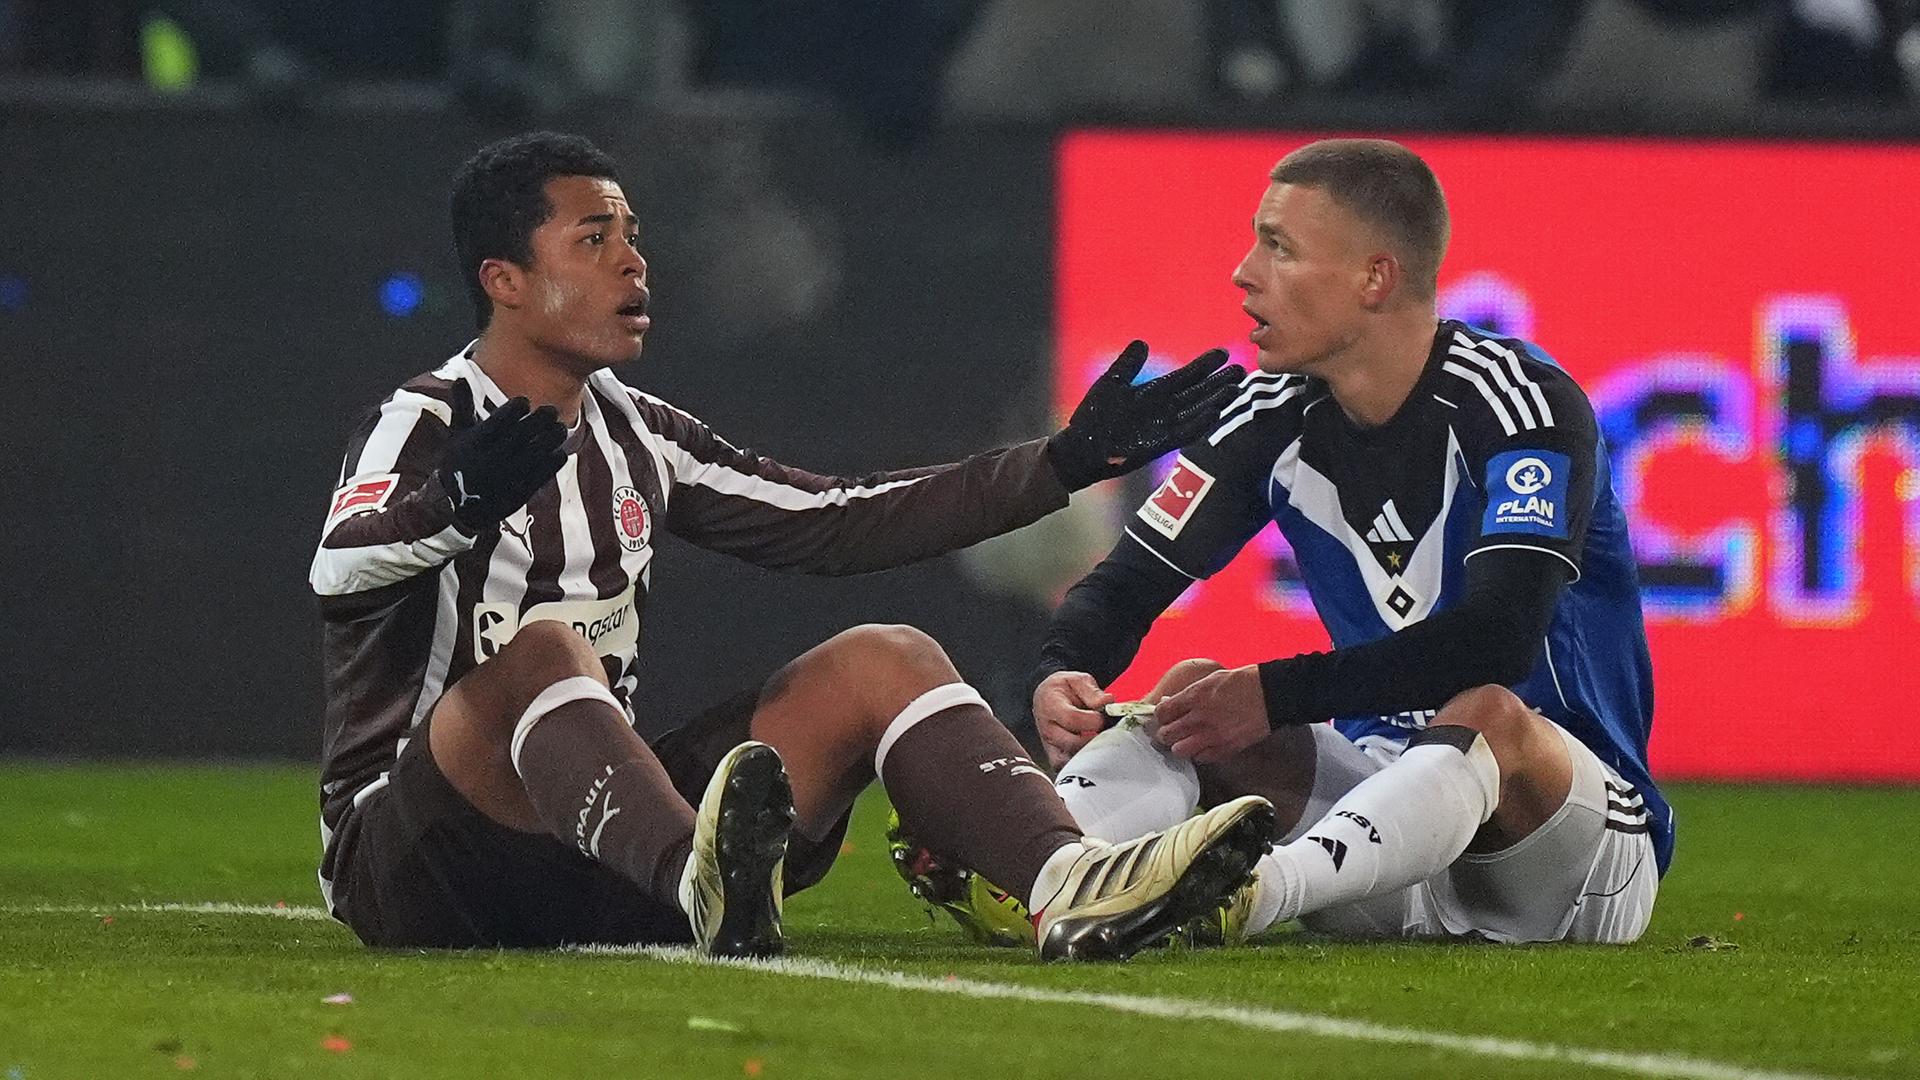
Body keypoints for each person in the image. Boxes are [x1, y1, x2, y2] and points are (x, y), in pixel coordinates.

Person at [309, 130, 1274, 962]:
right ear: (505, 280)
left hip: (603, 846)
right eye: (593, 241)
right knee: (548, 650)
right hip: (417, 854)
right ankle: (701, 882)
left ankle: (1071, 884)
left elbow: (838, 520)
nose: (633, 265)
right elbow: (338, 569)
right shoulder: (426, 418)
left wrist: (1058, 465)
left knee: (883, 656)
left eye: (633, 240)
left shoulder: (639, 432)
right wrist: (454, 503)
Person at [1026, 138, 1668, 945]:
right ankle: (1042, 871)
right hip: (1382, 831)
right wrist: (1064, 671)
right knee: (1186, 700)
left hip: (1567, 861)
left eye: (1280, 247)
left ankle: (1242, 896)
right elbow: (1121, 589)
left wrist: (1274, 694)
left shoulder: (1522, 406)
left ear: (1374, 278)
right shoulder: (1270, 415)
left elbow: (1497, 639)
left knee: (1488, 715)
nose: (1245, 271)